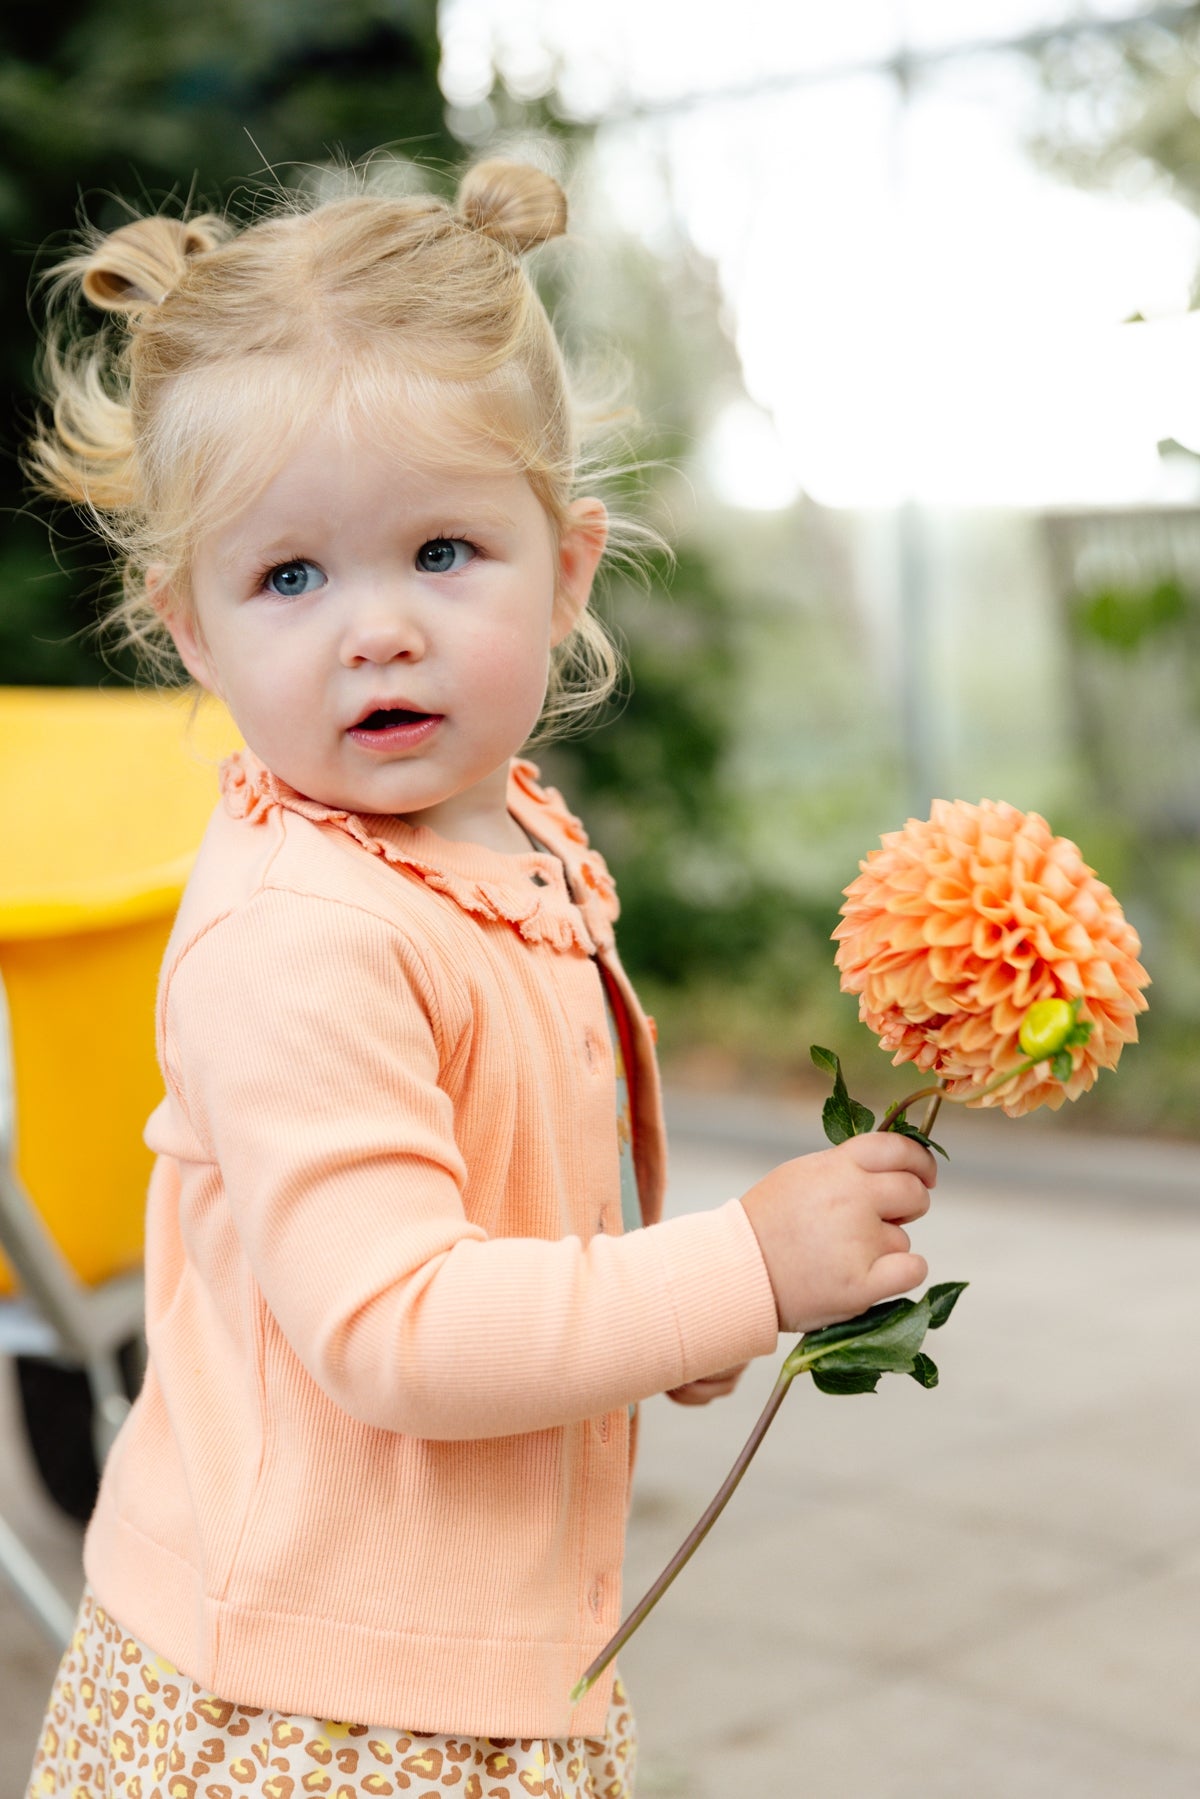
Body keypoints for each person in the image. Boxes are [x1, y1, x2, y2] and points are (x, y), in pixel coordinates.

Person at [23, 157, 936, 1799]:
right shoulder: (301, 932)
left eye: (444, 550)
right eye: (291, 577)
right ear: (194, 630)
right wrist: (731, 1266)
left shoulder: (500, 833)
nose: (375, 629)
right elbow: (396, 1323)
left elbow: (527, 1175)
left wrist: (672, 1309)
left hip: (465, 1655)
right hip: (305, 1712)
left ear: (568, 566)